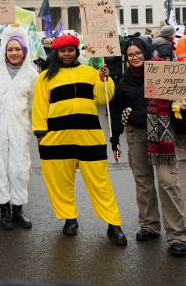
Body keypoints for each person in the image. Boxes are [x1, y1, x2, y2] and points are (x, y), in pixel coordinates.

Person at [31, 34, 126, 246]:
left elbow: (104, 98)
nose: (66, 54)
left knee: (100, 184)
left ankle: (113, 224)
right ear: (56, 53)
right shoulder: (45, 77)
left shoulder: (91, 72)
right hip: (56, 139)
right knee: (60, 184)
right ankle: (70, 218)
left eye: (70, 50)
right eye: (62, 50)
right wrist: (40, 133)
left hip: (89, 137)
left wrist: (106, 79)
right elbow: (39, 107)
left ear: (76, 51)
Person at [110, 38, 186, 257]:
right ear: (126, 58)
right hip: (136, 135)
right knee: (143, 182)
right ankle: (149, 225)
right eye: (130, 55)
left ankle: (177, 236)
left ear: (146, 53)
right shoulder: (125, 80)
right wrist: (115, 138)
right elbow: (116, 110)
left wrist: (183, 107)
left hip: (162, 133)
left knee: (168, 182)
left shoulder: (163, 74)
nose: (135, 57)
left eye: (138, 53)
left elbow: (178, 105)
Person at [0, 24, 38, 230]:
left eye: (18, 49)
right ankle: (4, 209)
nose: (14, 53)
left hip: (20, 129)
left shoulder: (32, 74)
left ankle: (18, 209)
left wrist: (32, 126)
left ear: (24, 51)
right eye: (10, 49)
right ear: (4, 49)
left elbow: (35, 105)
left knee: (19, 169)